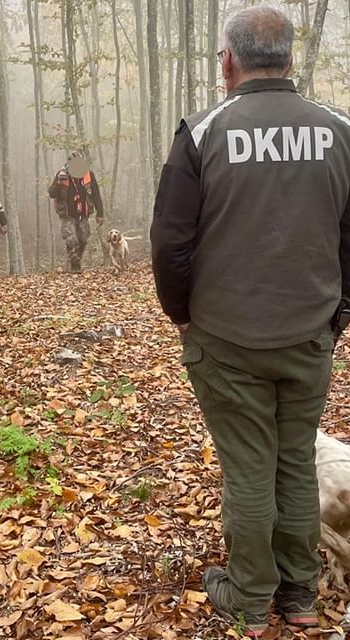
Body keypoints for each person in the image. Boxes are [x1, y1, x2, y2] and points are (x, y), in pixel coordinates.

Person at [150, 6, 350, 638]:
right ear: (289, 58)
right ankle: (300, 596)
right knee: (293, 459)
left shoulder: (204, 132)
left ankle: (249, 597)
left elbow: (170, 243)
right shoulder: (340, 130)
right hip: (308, 333)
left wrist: (185, 315)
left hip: (227, 336)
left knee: (249, 466)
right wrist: (339, 311)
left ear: (228, 61)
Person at [48, 151, 104, 272]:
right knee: (72, 240)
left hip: (83, 214)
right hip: (67, 215)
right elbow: (52, 193)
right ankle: (74, 266)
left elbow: (96, 195)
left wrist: (100, 214)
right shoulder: (61, 175)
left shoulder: (89, 175)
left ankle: (76, 259)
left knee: (83, 239)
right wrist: (59, 183)